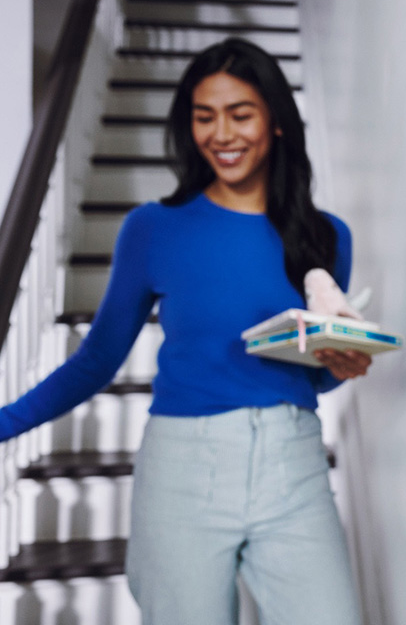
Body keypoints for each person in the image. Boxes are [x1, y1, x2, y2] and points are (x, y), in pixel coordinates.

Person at [0, 38, 366, 624]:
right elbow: (95, 362)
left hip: (293, 465)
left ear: (274, 121)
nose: (222, 133)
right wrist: (4, 423)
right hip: (183, 470)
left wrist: (337, 367)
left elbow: (309, 378)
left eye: (240, 114)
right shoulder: (153, 229)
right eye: (204, 116)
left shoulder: (327, 236)